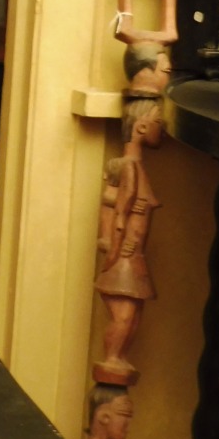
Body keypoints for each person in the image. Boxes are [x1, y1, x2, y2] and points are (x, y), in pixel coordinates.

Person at [93, 95, 163, 385]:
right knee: (124, 316)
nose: (161, 127)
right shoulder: (129, 168)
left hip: (133, 255)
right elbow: (114, 208)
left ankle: (117, 358)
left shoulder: (133, 167)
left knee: (133, 317)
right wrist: (114, 245)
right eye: (158, 121)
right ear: (142, 127)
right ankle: (111, 358)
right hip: (125, 255)